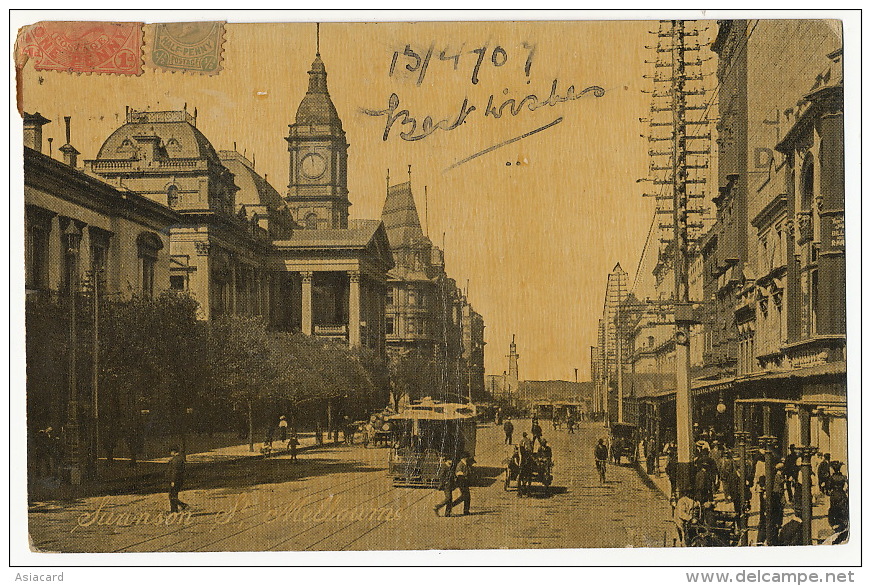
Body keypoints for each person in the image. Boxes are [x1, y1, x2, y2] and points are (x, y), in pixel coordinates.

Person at [167, 446, 188, 513]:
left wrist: (173, 481)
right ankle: (174, 510)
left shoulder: (175, 460)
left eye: (171, 452)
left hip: (175, 480)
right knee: (174, 495)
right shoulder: (179, 459)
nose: (170, 453)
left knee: (172, 495)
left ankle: (182, 505)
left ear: (173, 452)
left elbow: (175, 472)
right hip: (179, 480)